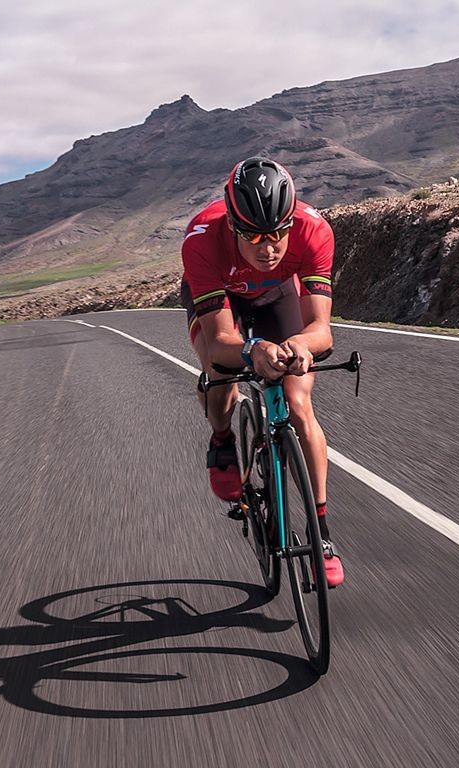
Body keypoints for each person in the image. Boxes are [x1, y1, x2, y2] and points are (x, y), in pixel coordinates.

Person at [179, 156, 345, 587]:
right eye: (252, 234)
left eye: (277, 233)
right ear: (232, 225)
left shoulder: (314, 231)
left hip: (276, 296)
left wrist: (300, 347)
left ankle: (321, 533)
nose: (267, 246)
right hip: (223, 303)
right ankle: (222, 441)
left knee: (298, 401)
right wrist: (252, 349)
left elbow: (321, 330)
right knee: (222, 380)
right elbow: (219, 343)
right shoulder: (202, 239)